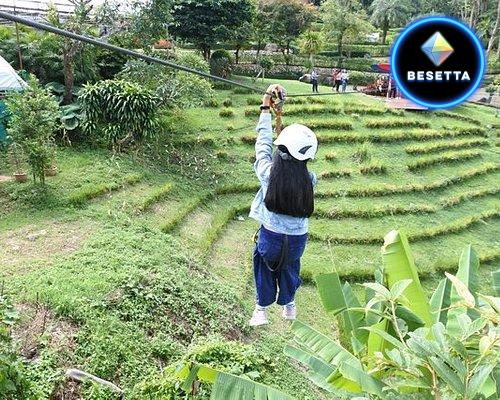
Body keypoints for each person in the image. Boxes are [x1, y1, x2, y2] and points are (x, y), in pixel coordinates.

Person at [248, 84, 318, 327]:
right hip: (298, 240)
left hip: (271, 236)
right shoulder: (311, 180)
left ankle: (261, 310)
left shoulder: (268, 174)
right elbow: (287, 157)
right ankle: (289, 305)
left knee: (264, 265)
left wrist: (266, 106)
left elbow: (263, 145)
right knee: (290, 267)